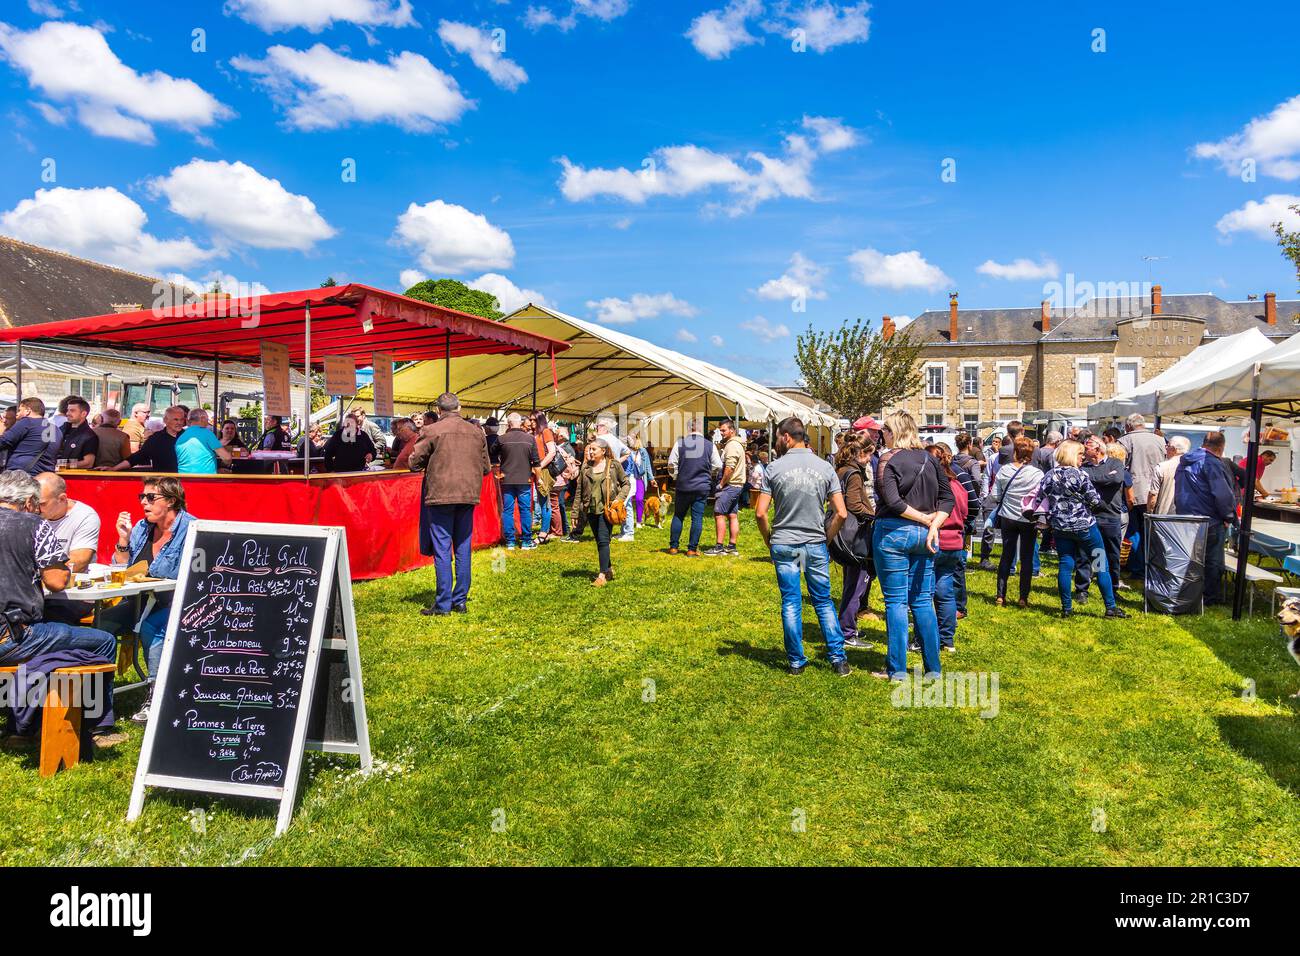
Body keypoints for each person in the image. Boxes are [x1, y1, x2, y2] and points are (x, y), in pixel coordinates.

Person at [0, 470, 118, 745]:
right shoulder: (32, 524)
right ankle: (97, 729)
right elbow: (56, 581)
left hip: (13, 633)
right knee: (103, 642)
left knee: (49, 645)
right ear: (29, 502)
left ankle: (22, 727)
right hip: (13, 636)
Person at [755, 417, 851, 677]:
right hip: (814, 542)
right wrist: (827, 539)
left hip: (784, 543)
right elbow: (841, 513)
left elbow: (761, 513)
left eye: (778, 437)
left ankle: (796, 661)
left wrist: (769, 540)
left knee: (791, 602)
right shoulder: (825, 468)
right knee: (822, 601)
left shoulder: (773, 469)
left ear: (786, 437)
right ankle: (838, 659)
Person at [873, 410, 953, 679]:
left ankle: (896, 669)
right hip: (925, 536)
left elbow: (893, 502)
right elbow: (947, 498)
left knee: (895, 602)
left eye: (884, 429)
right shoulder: (930, 460)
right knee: (921, 600)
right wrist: (932, 524)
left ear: (894, 431)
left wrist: (924, 520)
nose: (881, 434)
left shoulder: (888, 459)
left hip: (894, 533)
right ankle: (933, 668)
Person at [108, 476, 195, 723]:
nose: (144, 503)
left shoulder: (191, 528)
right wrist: (123, 540)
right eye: (142, 497)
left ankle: (155, 696)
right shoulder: (140, 528)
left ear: (170, 501)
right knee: (101, 626)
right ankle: (98, 700)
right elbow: (124, 570)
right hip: (139, 601)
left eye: (150, 497)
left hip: (180, 603)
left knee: (152, 628)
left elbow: (195, 577)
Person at [408, 393, 491, 616]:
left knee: (443, 549)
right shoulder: (476, 432)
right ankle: (460, 600)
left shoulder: (431, 430)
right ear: (459, 407)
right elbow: (486, 468)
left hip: (440, 494)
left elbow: (414, 463)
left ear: (438, 409)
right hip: (468, 494)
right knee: (463, 547)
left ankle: (443, 604)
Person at [1041, 441, 1127, 619]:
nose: (1082, 457)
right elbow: (1095, 500)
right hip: (1084, 526)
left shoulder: (1049, 475)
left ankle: (1066, 608)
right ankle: (1110, 607)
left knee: (1065, 565)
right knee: (1100, 564)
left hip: (1060, 526)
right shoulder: (1080, 475)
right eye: (1080, 454)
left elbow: (1042, 497)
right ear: (1073, 455)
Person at [1174, 432, 1237, 606]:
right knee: (1212, 561)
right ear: (1221, 448)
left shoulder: (1185, 461)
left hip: (1186, 517)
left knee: (1190, 559)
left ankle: (1188, 593)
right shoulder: (1211, 462)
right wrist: (1229, 516)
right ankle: (1209, 598)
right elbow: (1222, 494)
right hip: (1209, 520)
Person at [35, 471, 101, 627]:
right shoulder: (30, 513)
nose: (36, 508)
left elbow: (79, 561)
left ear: (62, 499)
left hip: (71, 594)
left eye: (42, 503)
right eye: (33, 501)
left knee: (46, 619)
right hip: (36, 591)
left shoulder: (85, 516)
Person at [833, 435, 876, 650]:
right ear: (859, 453)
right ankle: (847, 631)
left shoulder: (841, 469)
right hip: (854, 535)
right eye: (868, 454)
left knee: (851, 582)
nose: (870, 459)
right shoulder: (854, 473)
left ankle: (847, 626)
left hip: (842, 534)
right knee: (857, 583)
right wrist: (874, 516)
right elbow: (854, 505)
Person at [991, 437, 1044, 608]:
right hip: (1027, 518)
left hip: (1008, 517)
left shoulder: (1004, 470)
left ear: (1015, 451)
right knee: (1027, 558)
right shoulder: (1037, 474)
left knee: (1006, 555)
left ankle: (1000, 595)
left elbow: (995, 496)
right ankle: (1023, 598)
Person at [928, 443, 969, 652]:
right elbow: (966, 512)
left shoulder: (933, 485)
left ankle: (923, 638)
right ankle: (947, 640)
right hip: (955, 542)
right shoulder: (958, 485)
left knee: (924, 592)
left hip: (937, 540)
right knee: (945, 591)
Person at [1117, 413, 1166, 580]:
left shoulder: (1125, 441)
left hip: (1134, 492)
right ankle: (1149, 566)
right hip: (1156, 490)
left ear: (1129, 426)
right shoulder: (1160, 440)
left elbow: (1119, 468)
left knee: (1135, 531)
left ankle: (1137, 568)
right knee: (1150, 532)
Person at [576, 438, 630, 587]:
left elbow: (626, 483)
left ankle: (602, 575)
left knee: (603, 540)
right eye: (589, 449)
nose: (590, 452)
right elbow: (579, 491)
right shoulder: (586, 467)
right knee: (601, 541)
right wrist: (576, 513)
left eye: (593, 449)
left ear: (603, 451)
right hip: (591, 509)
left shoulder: (614, 465)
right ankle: (609, 569)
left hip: (607, 510)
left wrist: (619, 499)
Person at [1079, 434, 1127, 597]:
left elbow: (1117, 479)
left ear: (1097, 449)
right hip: (1089, 516)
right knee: (1085, 554)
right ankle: (1082, 589)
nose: (1083, 451)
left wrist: (1092, 479)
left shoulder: (1116, 463)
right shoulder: (1083, 467)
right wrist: (1106, 478)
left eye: (1087, 448)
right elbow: (1082, 482)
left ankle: (1113, 588)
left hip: (1110, 516)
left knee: (1112, 554)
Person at [667, 419, 721, 557]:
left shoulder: (680, 443)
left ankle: (673, 547)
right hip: (701, 486)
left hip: (683, 485)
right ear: (700, 429)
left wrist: (676, 477)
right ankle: (691, 549)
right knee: (697, 518)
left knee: (678, 515)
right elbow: (718, 465)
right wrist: (709, 473)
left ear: (688, 428)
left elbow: (671, 464)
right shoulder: (710, 445)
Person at [497, 412, 540, 550]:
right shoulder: (529, 439)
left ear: (509, 424)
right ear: (520, 423)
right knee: (525, 510)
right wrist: (538, 479)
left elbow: (492, 452)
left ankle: (510, 541)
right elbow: (536, 461)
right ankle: (526, 541)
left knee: (508, 510)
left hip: (507, 478)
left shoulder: (501, 438)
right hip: (524, 479)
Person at [705, 419, 747, 556]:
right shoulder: (737, 444)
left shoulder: (732, 445)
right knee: (732, 515)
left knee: (719, 513)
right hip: (738, 484)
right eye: (720, 430)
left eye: (724, 430)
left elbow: (729, 468)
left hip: (730, 485)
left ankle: (719, 547)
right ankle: (732, 546)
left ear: (732, 430)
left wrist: (721, 484)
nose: (721, 433)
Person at [114, 405, 184, 472]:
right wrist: (114, 468)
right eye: (176, 420)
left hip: (185, 479)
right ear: (165, 420)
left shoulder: (187, 437)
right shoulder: (156, 438)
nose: (179, 422)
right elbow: (138, 456)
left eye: (181, 420)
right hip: (163, 481)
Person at [0, 397, 57, 475]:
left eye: (20, 410)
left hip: (22, 474)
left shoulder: (26, 422)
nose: (17, 413)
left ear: (28, 411)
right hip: (46, 474)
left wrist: (2, 431)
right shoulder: (56, 429)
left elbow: (3, 442)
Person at [175, 408, 231, 475]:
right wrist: (225, 464)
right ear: (202, 418)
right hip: (204, 480)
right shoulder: (207, 433)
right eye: (207, 419)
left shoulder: (181, 437)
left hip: (184, 479)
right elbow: (227, 457)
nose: (208, 422)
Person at [531, 412, 559, 543]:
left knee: (544, 502)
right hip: (537, 470)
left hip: (544, 470)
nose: (531, 422)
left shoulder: (546, 432)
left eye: (534, 420)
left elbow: (552, 452)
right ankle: (544, 530)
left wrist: (540, 466)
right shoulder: (534, 433)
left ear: (539, 420)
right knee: (541, 501)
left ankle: (544, 532)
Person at [1148, 435, 1190, 515]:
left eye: (1168, 445)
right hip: (1188, 517)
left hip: (1164, 517)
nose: (1165, 447)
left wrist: (1149, 512)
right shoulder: (1194, 466)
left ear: (1174, 450)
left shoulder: (1161, 467)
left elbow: (1153, 495)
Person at [55, 396, 99, 469]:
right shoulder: (61, 429)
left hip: (72, 477)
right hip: (54, 474)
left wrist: (63, 465)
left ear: (83, 414)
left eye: (72, 411)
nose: (67, 413)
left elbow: (88, 463)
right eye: (68, 410)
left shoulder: (89, 436)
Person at [625, 433, 653, 535]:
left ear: (636, 439)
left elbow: (648, 466)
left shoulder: (643, 451)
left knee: (639, 499)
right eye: (628, 439)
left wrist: (651, 478)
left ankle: (639, 521)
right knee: (627, 500)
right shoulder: (626, 450)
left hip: (640, 478)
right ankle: (627, 520)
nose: (629, 440)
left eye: (630, 438)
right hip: (629, 478)